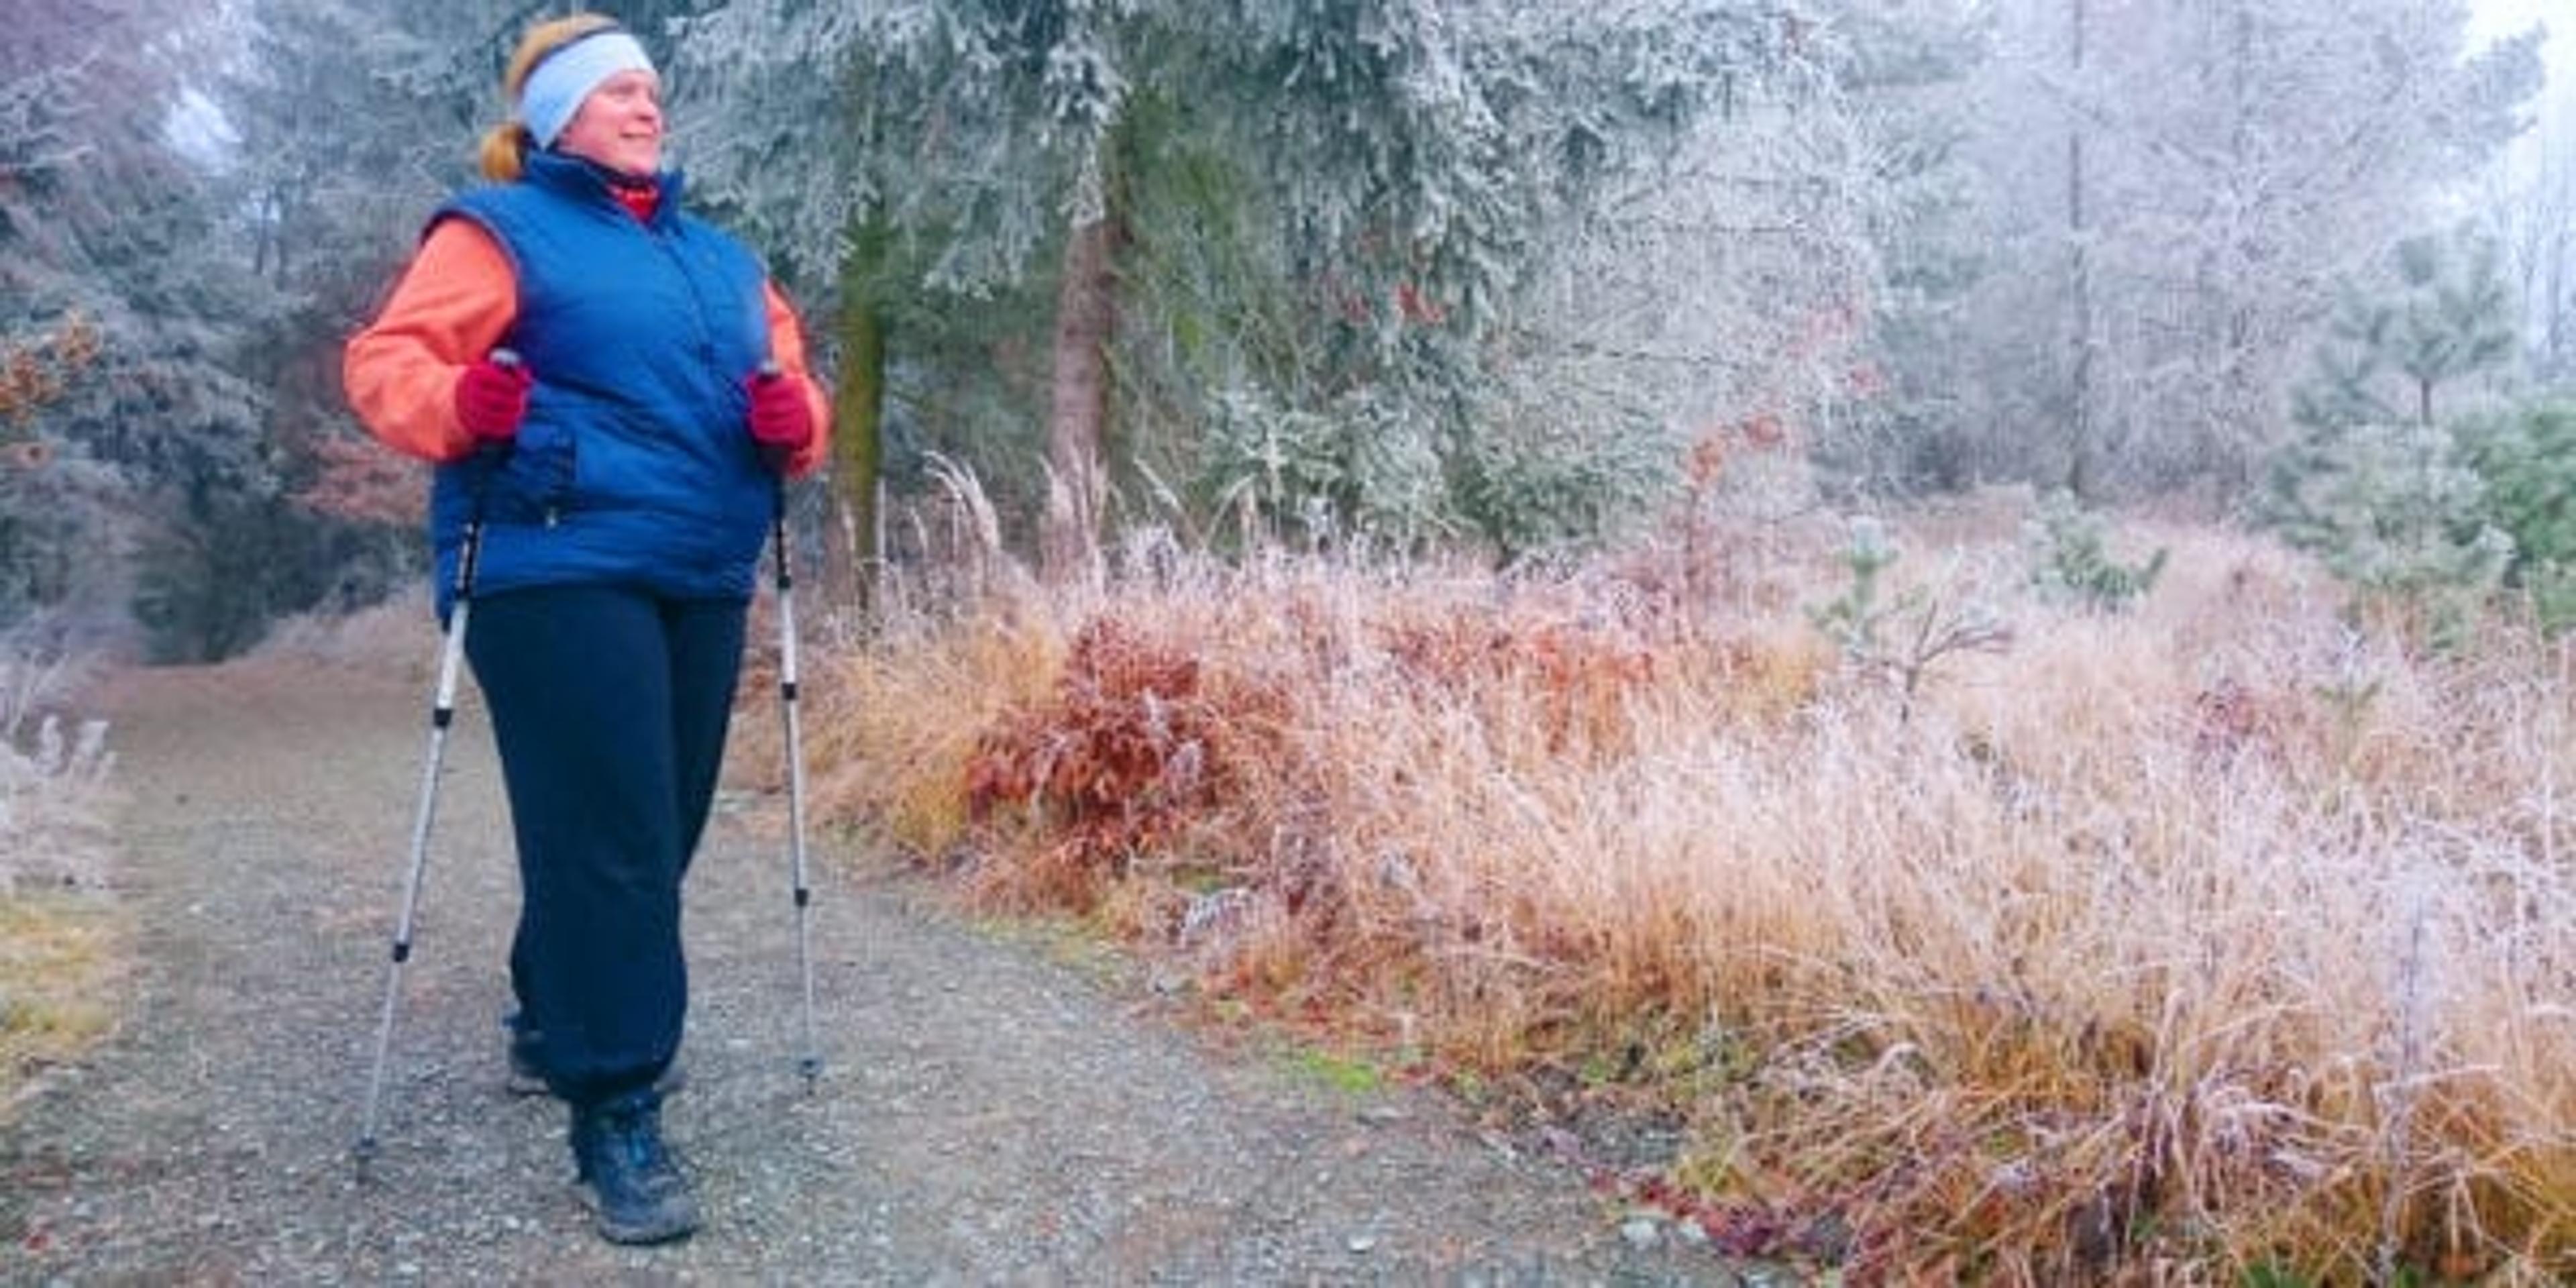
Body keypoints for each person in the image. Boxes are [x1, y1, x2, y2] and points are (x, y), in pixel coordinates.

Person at [342, 12, 829, 1246]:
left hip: (699, 566)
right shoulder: (495, 230)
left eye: (653, 89)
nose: (645, 105)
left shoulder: (725, 260)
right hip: (551, 562)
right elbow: (388, 363)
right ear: (555, 116)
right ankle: (613, 1105)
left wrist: (795, 424)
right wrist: (462, 400)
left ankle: (552, 1005)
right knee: (611, 834)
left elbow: (798, 391)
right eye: (617, 91)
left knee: (656, 824)